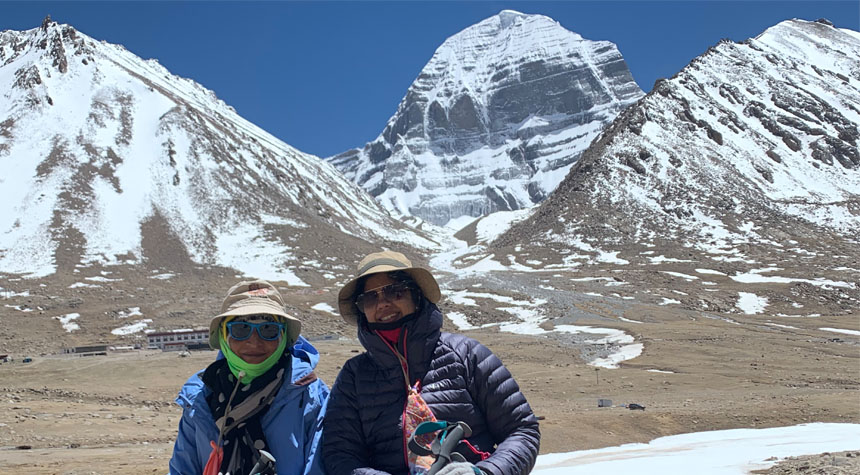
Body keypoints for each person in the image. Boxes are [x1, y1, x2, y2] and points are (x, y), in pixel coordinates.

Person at [323, 251, 540, 475]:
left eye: (394, 291)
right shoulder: (354, 376)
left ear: (416, 296)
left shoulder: (467, 355)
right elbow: (340, 454)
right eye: (370, 297)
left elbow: (522, 430)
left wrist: (485, 472)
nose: (382, 304)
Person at [169, 280, 329, 475]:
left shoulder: (311, 398)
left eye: (269, 330)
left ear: (284, 336)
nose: (254, 341)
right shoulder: (199, 398)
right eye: (240, 329)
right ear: (223, 335)